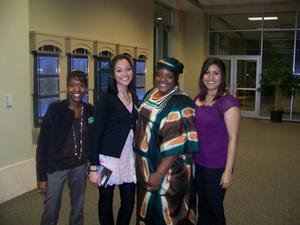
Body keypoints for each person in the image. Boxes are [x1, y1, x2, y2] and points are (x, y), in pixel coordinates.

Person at [135, 57, 199, 225]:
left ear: (176, 79)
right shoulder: (152, 93)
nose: (162, 79)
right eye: (159, 74)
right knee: (148, 209)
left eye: (169, 76)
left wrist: (159, 173)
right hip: (147, 165)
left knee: (166, 213)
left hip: (168, 172)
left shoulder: (180, 103)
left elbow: (177, 145)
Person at [36, 70, 94, 225]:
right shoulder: (55, 109)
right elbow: (43, 144)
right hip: (56, 167)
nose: (77, 90)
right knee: (51, 208)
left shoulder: (89, 110)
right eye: (72, 85)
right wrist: (42, 178)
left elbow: (93, 138)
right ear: (67, 87)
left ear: (86, 88)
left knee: (78, 207)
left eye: (81, 85)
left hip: (79, 166)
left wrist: (94, 164)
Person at [88, 54, 138, 225]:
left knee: (129, 201)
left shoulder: (134, 96)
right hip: (107, 161)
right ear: (113, 74)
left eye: (128, 69)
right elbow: (96, 134)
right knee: (105, 201)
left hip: (128, 159)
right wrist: (93, 168)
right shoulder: (106, 100)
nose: (124, 73)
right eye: (119, 70)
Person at [194, 57, 240, 225]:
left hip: (217, 165)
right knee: (203, 206)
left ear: (222, 77)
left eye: (216, 73)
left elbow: (233, 139)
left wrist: (228, 171)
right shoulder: (198, 98)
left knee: (215, 208)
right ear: (202, 76)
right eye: (207, 73)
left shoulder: (228, 102)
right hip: (198, 161)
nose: (211, 77)